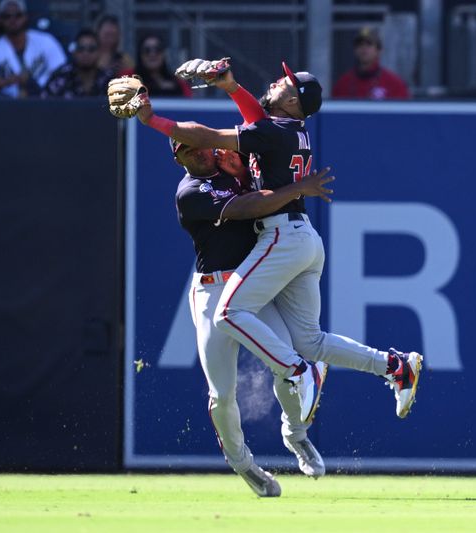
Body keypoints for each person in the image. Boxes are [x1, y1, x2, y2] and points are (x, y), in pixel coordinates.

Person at [133, 59, 423, 423]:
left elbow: (205, 137)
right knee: (312, 341)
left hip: (281, 235)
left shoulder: (276, 131)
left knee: (227, 312)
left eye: (286, 83)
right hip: (303, 239)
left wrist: (152, 120)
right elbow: (258, 121)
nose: (277, 81)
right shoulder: (285, 128)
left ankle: (298, 371)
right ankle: (396, 367)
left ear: (293, 103)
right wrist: (230, 87)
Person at [173, 139, 334, 497]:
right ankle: (243, 464)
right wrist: (297, 189)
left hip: (251, 286)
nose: (198, 151)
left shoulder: (234, 165)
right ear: (177, 158)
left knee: (288, 361)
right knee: (222, 393)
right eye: (187, 150)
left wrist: (247, 170)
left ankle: (296, 435)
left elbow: (260, 136)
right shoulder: (190, 192)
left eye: (200, 144)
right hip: (212, 289)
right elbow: (247, 208)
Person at [0, 0, 66, 98]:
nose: (13, 20)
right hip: (13, 105)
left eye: (18, 15)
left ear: (25, 17)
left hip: (48, 100)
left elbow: (64, 73)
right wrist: (9, 81)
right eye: (7, 16)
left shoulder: (46, 40)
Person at [332, 27, 409, 100]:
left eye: (369, 44)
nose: (364, 48)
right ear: (354, 50)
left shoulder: (395, 84)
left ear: (379, 50)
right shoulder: (343, 83)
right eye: (360, 44)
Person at [42, 29, 112, 98]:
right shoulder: (61, 78)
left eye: (91, 49)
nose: (85, 53)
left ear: (99, 52)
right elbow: (43, 105)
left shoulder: (108, 81)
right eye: (81, 48)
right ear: (74, 52)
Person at [94, 14, 134, 80]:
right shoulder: (90, 56)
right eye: (107, 35)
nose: (110, 39)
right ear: (97, 34)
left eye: (113, 35)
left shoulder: (124, 60)